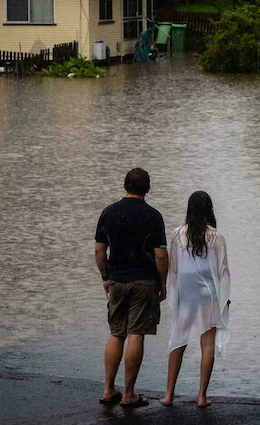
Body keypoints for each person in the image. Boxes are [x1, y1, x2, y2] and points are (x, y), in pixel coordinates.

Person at [94, 168, 168, 408]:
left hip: (117, 279)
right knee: (136, 333)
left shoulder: (108, 213)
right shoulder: (153, 216)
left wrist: (106, 276)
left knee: (117, 333)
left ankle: (108, 390)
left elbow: (99, 250)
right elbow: (160, 255)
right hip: (144, 281)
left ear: (124, 186)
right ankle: (128, 394)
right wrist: (162, 281)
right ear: (148, 189)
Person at [160, 191, 230, 408]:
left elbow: (174, 269)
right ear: (209, 210)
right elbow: (223, 271)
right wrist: (225, 298)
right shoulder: (217, 236)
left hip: (187, 294)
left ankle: (169, 395)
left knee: (178, 340)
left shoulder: (177, 234)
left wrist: (173, 294)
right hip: (209, 294)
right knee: (207, 343)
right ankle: (201, 397)